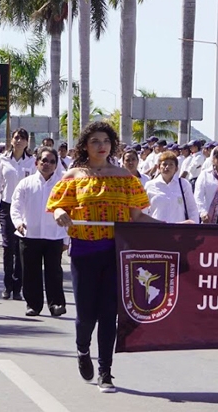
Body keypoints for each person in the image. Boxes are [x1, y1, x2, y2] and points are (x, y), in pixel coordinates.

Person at [47, 122, 173, 392]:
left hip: (115, 252)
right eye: (94, 141)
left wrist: (170, 227)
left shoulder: (125, 178)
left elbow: (137, 216)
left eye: (105, 141)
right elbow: (57, 206)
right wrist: (60, 215)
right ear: (85, 146)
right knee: (86, 315)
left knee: (108, 314)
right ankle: (82, 350)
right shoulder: (73, 176)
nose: (101, 146)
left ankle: (106, 371)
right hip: (83, 251)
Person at [10, 146, 67, 317]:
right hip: (29, 234)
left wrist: (66, 239)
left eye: (51, 161)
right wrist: (18, 222)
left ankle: (56, 303)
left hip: (54, 235)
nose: (47, 164)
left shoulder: (62, 185)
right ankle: (33, 304)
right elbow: (16, 206)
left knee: (54, 271)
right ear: (37, 162)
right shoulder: (26, 183)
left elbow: (69, 211)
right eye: (44, 160)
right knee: (30, 271)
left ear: (56, 165)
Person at [0, 129, 35, 300]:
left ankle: (18, 286)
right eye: (16, 138)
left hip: (26, 207)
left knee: (21, 247)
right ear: (11, 140)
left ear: (27, 142)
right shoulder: (2, 160)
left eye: (23, 138)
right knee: (8, 246)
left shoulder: (32, 161)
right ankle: (7, 284)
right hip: (6, 206)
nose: (19, 141)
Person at [146, 151, 200, 223]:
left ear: (176, 168)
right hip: (157, 229)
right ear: (159, 167)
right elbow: (144, 211)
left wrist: (194, 228)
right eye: (164, 164)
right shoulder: (150, 185)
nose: (167, 167)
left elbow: (192, 209)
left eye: (171, 164)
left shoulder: (184, 184)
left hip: (179, 230)